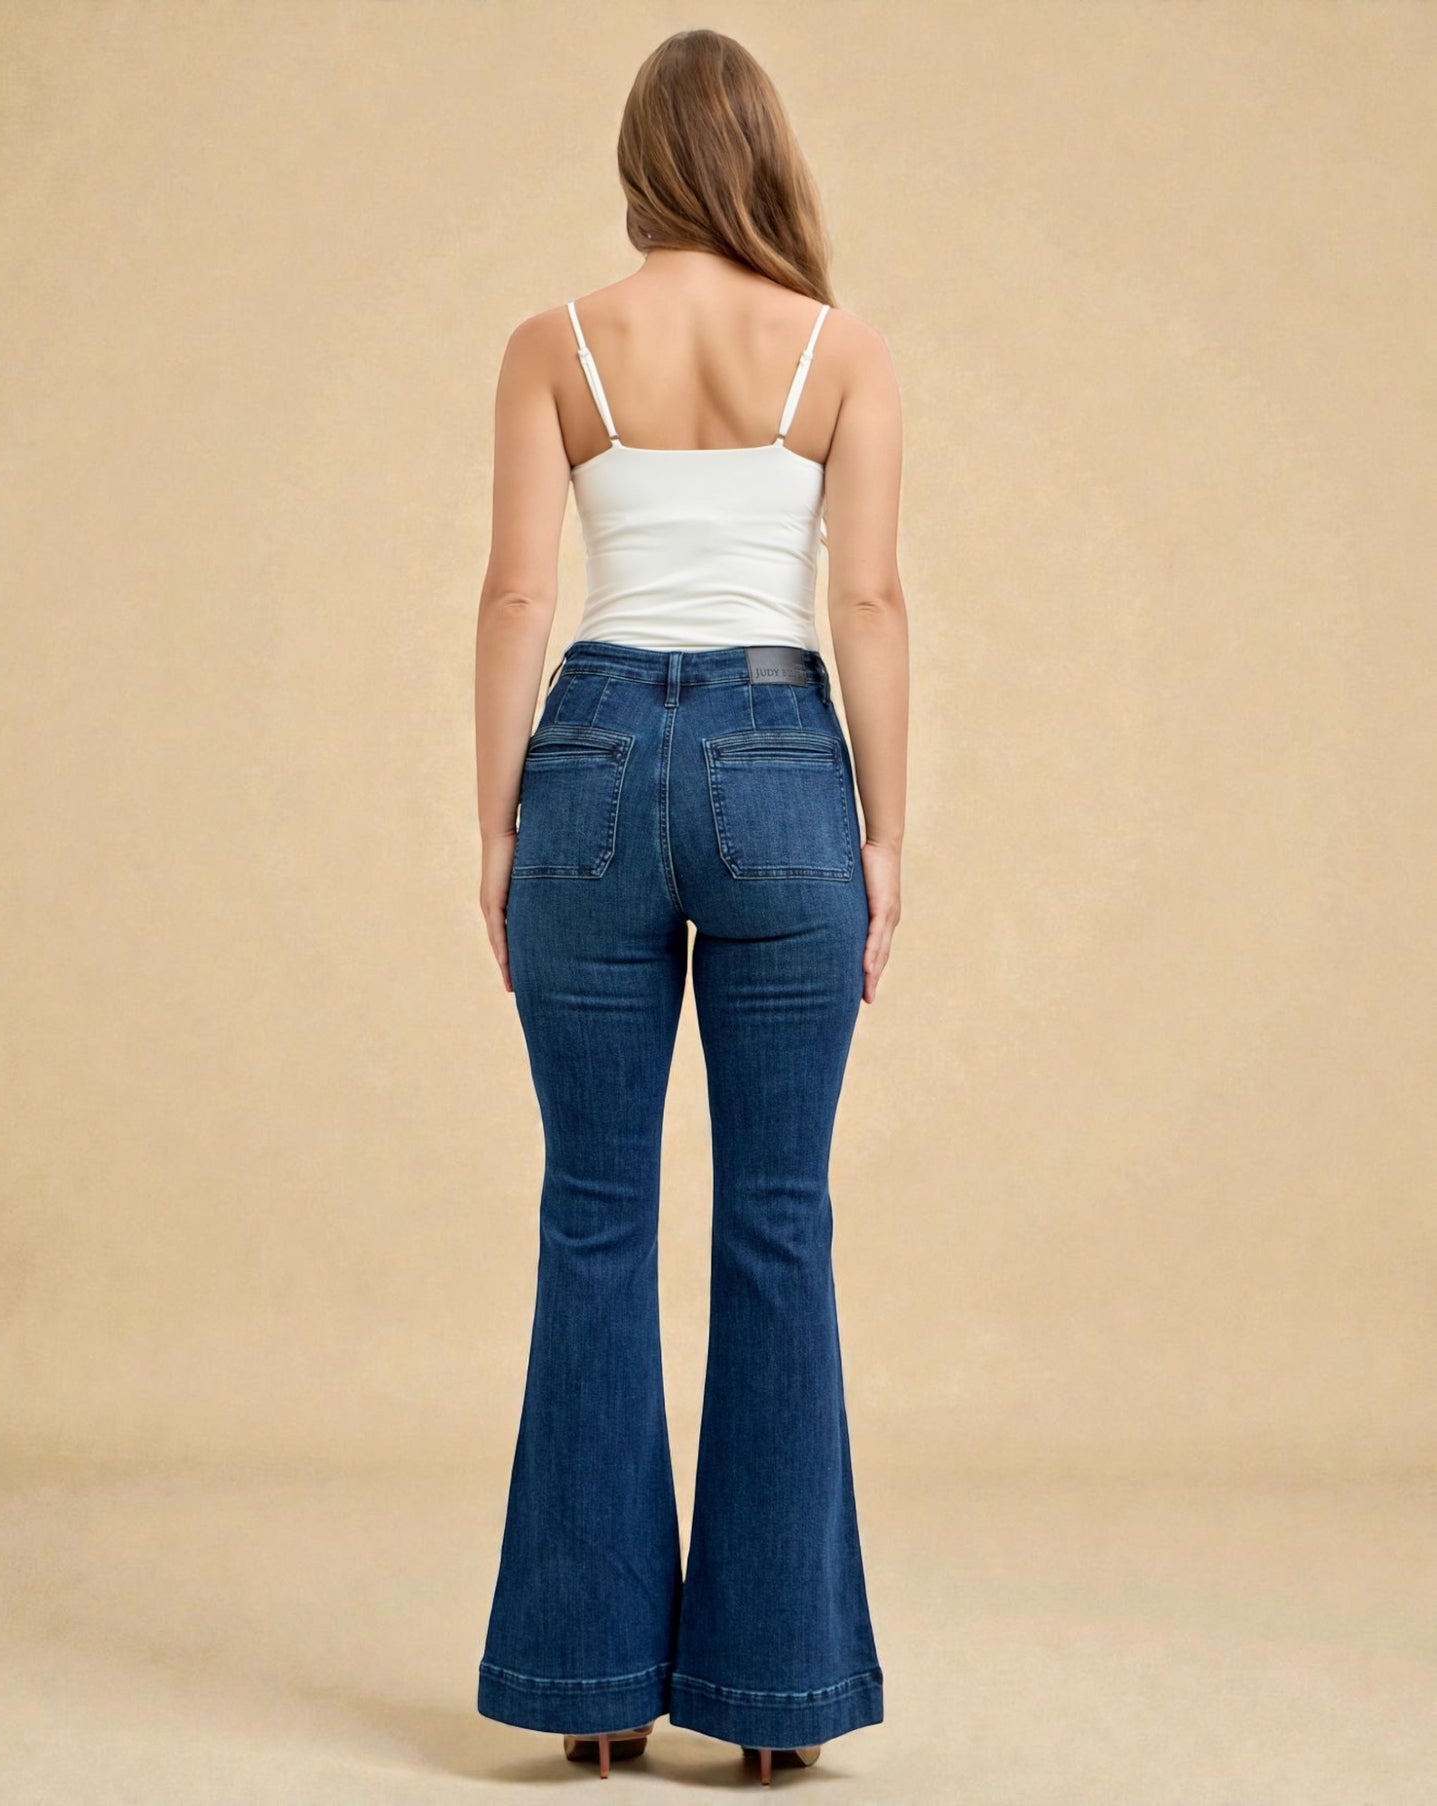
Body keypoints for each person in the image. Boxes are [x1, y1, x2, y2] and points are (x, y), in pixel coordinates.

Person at [473, 26, 907, 1786]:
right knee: (777, 1222)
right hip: (781, 759)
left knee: (592, 1215)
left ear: (641, 161)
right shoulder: (842, 354)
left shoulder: (555, 344)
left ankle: (591, 1691)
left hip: (585, 754)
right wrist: (884, 829)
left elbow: (517, 589)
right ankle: (772, 1707)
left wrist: (493, 821)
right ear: (764, 158)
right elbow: (864, 602)